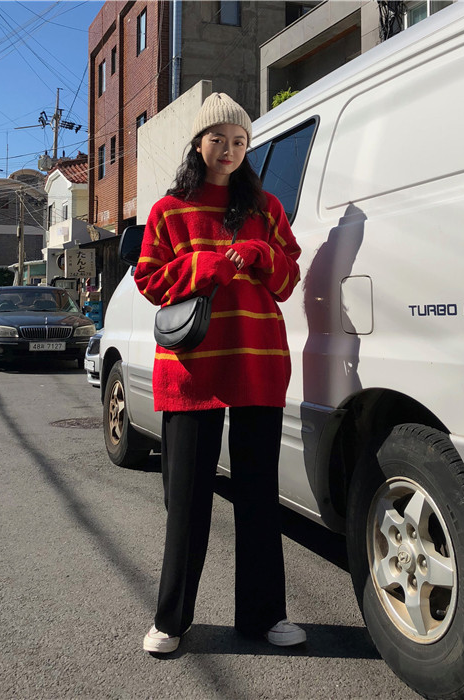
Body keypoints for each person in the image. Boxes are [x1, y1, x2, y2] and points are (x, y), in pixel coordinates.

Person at [134, 92, 305, 654]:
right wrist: (203, 265)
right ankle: (171, 620)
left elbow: (288, 280)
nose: (229, 150)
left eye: (239, 141)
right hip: (192, 367)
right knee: (187, 501)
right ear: (198, 143)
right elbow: (149, 280)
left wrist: (261, 254)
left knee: (258, 495)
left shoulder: (267, 208)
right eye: (218, 139)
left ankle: (264, 616)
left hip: (257, 360)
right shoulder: (167, 210)